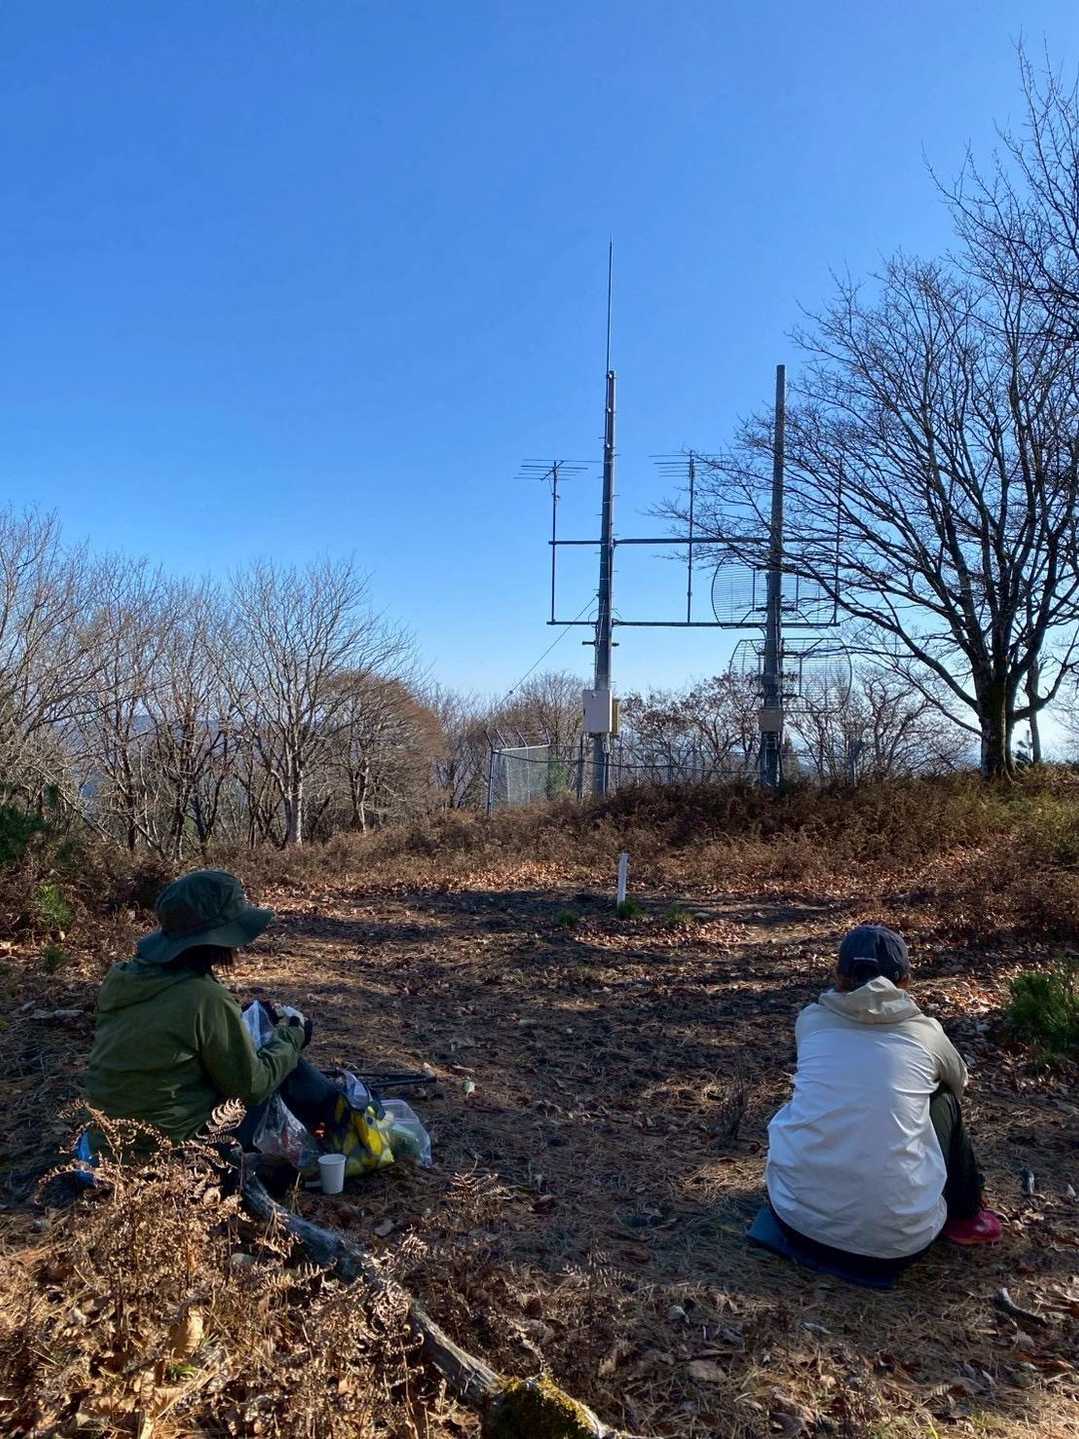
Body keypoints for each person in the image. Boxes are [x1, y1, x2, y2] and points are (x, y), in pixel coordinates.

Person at [765, 924, 1002, 1274]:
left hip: (794, 1222)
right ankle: (966, 1215)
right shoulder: (926, 1033)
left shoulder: (811, 1021)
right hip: (897, 1244)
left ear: (839, 976)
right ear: (905, 980)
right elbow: (959, 1083)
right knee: (942, 1098)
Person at [86, 869, 348, 1150]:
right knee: (286, 1067)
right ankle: (346, 1129)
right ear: (219, 939)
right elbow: (252, 1086)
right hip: (175, 1148)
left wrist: (239, 1015)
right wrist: (293, 1036)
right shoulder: (205, 998)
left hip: (105, 1145)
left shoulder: (121, 979)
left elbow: (169, 1031)